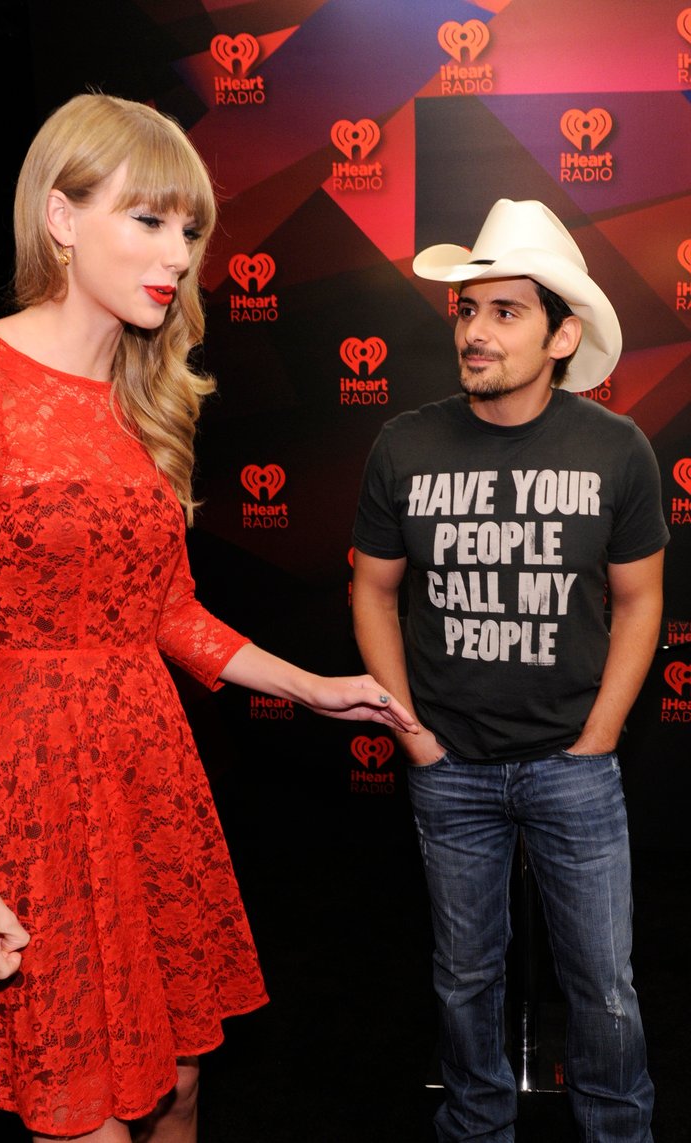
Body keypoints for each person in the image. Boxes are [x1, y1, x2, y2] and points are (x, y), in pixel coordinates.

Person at [0, 93, 418, 1143]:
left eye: (189, 230)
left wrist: (311, 686)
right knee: (82, 1110)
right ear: (60, 216)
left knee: (179, 1087)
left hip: (151, 767)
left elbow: (167, 612)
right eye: (148, 220)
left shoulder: (145, 395)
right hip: (32, 777)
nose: (178, 255)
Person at [351, 199, 667, 1142]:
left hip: (575, 767)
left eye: (505, 311)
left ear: (562, 336)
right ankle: (477, 1126)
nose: (475, 332)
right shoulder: (405, 443)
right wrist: (413, 733)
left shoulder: (616, 449)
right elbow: (372, 590)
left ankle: (619, 1131)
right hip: (450, 767)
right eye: (467, 310)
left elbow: (641, 602)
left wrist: (598, 738)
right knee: (463, 977)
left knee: (602, 985)